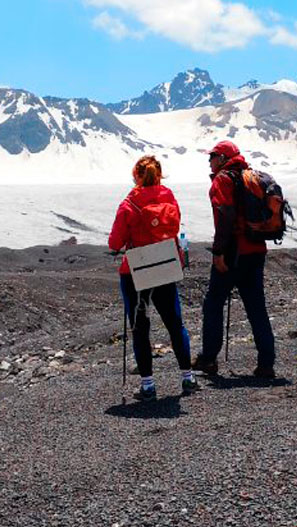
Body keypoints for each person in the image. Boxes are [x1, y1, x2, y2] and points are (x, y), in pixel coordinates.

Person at [108, 155, 197, 401]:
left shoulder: (129, 203)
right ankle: (188, 377)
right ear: (159, 175)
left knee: (140, 328)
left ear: (136, 176)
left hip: (137, 272)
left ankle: (148, 385)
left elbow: (115, 242)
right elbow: (174, 228)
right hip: (165, 266)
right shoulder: (169, 198)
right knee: (174, 323)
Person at [190, 140, 276, 379]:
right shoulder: (251, 177)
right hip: (256, 249)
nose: (209, 161)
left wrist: (218, 253)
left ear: (222, 158)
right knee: (256, 307)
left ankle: (209, 358)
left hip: (233, 253)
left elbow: (225, 216)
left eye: (212, 157)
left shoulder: (223, 180)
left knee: (214, 304)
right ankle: (266, 363)